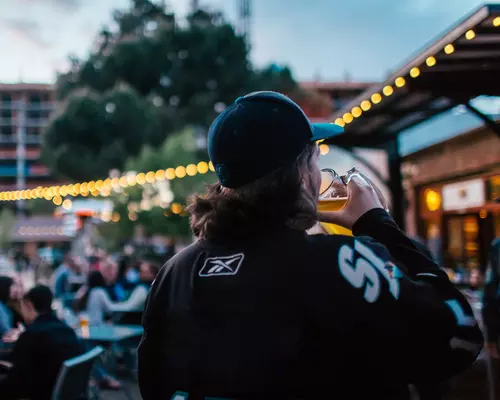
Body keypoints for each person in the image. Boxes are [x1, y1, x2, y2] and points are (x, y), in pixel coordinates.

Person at [138, 91, 483, 400]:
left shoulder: (174, 272)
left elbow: (152, 381)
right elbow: (460, 337)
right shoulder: (336, 263)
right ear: (301, 174)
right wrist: (378, 225)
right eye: (316, 159)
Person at [0, 285, 85, 400]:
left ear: (29, 305)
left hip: (39, 392)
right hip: (61, 391)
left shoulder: (32, 335)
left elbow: (15, 382)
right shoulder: (67, 330)